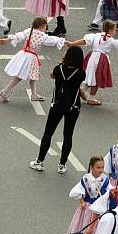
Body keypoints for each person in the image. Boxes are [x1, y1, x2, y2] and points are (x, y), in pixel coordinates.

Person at [29, 46, 87, 174]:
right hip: (73, 106)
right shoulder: (80, 73)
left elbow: (52, 75)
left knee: (48, 132)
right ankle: (62, 165)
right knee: (68, 135)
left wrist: (62, 62)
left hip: (57, 104)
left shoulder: (58, 69)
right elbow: (77, 86)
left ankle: (40, 161)